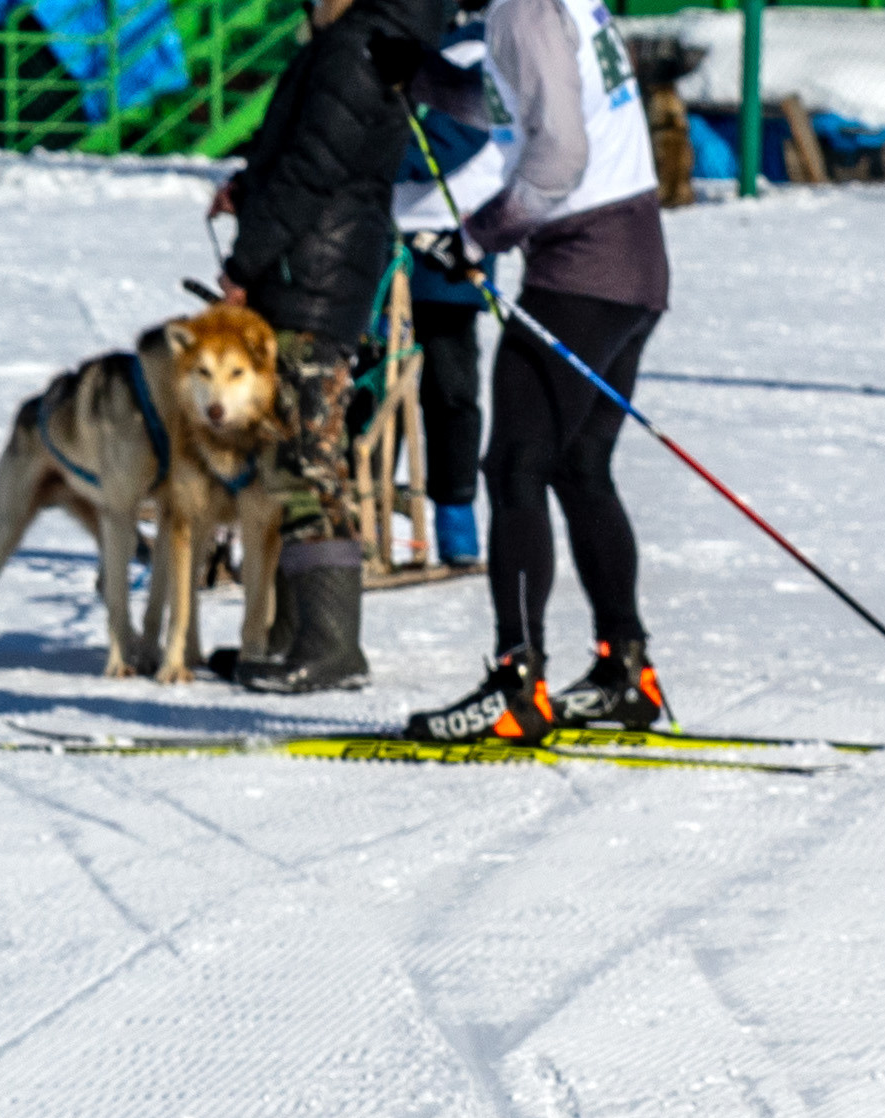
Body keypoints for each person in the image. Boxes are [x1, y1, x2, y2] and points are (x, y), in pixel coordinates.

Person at [402, 0, 669, 748]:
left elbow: (557, 156)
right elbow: (515, 98)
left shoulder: (524, 6)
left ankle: (517, 689)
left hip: (583, 267)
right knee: (580, 469)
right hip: (634, 259)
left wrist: (477, 238)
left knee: (514, 466)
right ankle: (626, 671)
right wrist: (424, 78)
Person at [209, 0, 450, 694]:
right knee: (283, 462)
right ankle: (287, 637)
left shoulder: (356, 48)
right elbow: (304, 154)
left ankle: (331, 643)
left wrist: (245, 262)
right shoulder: (357, 43)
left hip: (313, 279)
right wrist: (247, 188)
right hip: (310, 271)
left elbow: (316, 169)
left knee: (309, 463)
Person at [394, 21, 505, 570]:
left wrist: (372, 151)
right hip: (383, 242)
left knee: (449, 390)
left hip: (452, 248)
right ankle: (359, 510)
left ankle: (455, 513)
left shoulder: (481, 47)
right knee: (373, 386)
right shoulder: (389, 39)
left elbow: (457, 132)